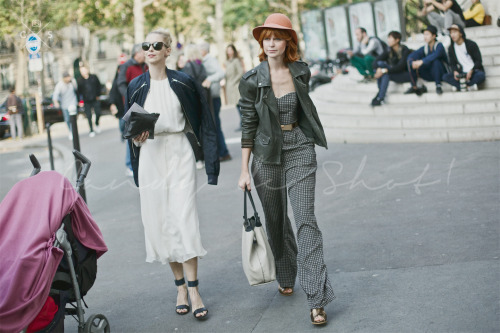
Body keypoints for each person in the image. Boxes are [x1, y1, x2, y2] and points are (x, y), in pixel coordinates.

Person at [238, 13, 334, 326]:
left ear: (288, 41)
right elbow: (248, 124)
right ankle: (285, 271)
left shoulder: (300, 71)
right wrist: (243, 170)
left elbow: (306, 109)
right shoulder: (252, 80)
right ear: (261, 43)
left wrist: (309, 134)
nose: (272, 43)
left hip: (300, 147)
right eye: (267, 38)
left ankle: (317, 298)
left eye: (278, 37)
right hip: (266, 154)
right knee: (276, 220)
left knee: (306, 219)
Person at [127, 28, 219, 320]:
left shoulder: (185, 81)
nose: (151, 49)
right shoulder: (135, 85)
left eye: (158, 45)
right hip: (150, 155)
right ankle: (179, 286)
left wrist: (212, 163)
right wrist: (135, 138)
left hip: (180, 151)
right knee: (161, 221)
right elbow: (128, 127)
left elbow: (205, 121)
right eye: (147, 45)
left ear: (168, 50)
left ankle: (194, 289)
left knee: (184, 218)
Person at [117, 44, 148, 175]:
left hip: (145, 103)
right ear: (136, 53)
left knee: (145, 134)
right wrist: (129, 98)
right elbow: (120, 84)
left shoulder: (145, 65)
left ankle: (143, 163)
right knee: (133, 135)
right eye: (143, 52)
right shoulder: (126, 66)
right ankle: (130, 165)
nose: (146, 54)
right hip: (132, 105)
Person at [199, 42, 232, 162]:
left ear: (204, 50)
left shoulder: (209, 60)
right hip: (211, 96)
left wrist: (209, 79)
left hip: (213, 96)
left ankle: (223, 152)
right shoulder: (204, 60)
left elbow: (221, 73)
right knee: (214, 125)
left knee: (215, 125)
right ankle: (221, 152)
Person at [371, 31, 412, 106]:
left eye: (390, 38)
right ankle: (380, 97)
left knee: (385, 73)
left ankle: (380, 96)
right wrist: (378, 70)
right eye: (388, 38)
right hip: (394, 73)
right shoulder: (389, 50)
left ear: (397, 40)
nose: (388, 40)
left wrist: (384, 70)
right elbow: (376, 61)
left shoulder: (404, 50)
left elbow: (400, 67)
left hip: (406, 74)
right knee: (380, 65)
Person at [406, 25, 448, 95]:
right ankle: (414, 86)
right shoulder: (425, 47)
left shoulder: (439, 45)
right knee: (413, 62)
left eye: (427, 34)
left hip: (441, 73)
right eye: (424, 34)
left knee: (436, 61)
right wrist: (411, 62)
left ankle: (438, 85)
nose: (425, 37)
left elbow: (436, 55)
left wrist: (422, 61)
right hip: (431, 74)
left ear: (434, 36)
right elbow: (414, 54)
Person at [442, 24, 486, 91]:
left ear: (461, 33)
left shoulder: (471, 44)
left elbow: (478, 61)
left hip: (473, 71)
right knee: (445, 77)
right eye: (451, 33)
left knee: (481, 75)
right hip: (462, 73)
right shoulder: (451, 48)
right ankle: (469, 86)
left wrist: (471, 71)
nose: (452, 35)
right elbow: (452, 64)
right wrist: (455, 71)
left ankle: (461, 86)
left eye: (454, 32)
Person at [77, 65, 102, 137]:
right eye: (82, 71)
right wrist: (80, 101)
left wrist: (98, 95)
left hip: (95, 98)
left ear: (87, 70)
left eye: (84, 70)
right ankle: (91, 129)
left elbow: (99, 86)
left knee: (98, 112)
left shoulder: (94, 77)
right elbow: (79, 92)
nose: (83, 72)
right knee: (88, 115)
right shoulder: (79, 80)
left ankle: (97, 123)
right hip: (86, 101)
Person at [224, 44, 244, 130]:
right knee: (236, 105)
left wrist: (233, 82)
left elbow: (240, 72)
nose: (229, 52)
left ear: (233, 51)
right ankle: (242, 122)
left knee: (240, 105)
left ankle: (244, 123)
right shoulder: (226, 62)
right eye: (227, 50)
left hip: (236, 86)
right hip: (230, 86)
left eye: (230, 50)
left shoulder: (236, 60)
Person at [53, 72, 78, 140]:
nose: (68, 79)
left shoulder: (73, 82)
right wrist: (56, 102)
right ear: (63, 78)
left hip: (73, 102)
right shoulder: (60, 85)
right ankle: (71, 131)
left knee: (73, 118)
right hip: (64, 104)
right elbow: (56, 94)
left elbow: (76, 90)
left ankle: (74, 131)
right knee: (67, 119)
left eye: (69, 77)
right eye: (67, 77)